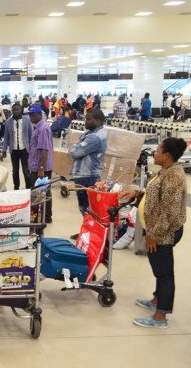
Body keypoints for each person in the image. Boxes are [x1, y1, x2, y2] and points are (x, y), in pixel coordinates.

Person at [120, 138, 187, 329]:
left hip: (163, 232)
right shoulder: (166, 171)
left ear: (166, 155)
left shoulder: (174, 177)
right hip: (157, 230)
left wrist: (153, 235)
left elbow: (170, 212)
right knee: (159, 269)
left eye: (157, 150)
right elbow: (157, 194)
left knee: (165, 273)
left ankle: (160, 317)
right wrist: (139, 194)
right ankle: (157, 300)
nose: (154, 153)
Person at [69, 109, 108, 217]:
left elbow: (74, 152)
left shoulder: (94, 137)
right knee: (86, 208)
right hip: (87, 175)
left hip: (87, 176)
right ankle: (87, 231)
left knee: (87, 208)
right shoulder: (91, 133)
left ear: (97, 120)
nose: (85, 121)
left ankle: (90, 232)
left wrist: (74, 146)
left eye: (88, 119)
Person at [28, 104, 54, 222]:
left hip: (41, 168)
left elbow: (44, 150)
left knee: (38, 192)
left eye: (33, 115)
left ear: (39, 114)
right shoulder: (39, 127)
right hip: (38, 166)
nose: (31, 117)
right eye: (30, 115)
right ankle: (46, 216)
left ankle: (41, 217)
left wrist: (41, 169)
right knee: (44, 191)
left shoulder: (42, 128)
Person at [1, 104, 32, 190]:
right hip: (13, 150)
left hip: (24, 149)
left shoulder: (27, 120)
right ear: (12, 111)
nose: (16, 111)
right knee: (15, 170)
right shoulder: (8, 122)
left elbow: (31, 135)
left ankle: (28, 188)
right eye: (14, 110)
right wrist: (4, 150)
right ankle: (16, 187)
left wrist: (32, 149)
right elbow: (6, 137)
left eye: (18, 109)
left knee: (26, 170)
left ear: (21, 110)